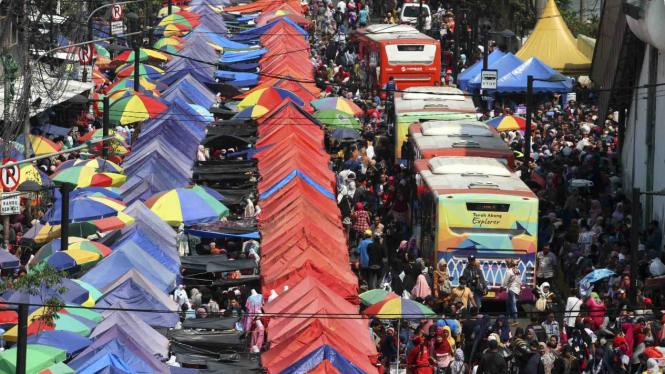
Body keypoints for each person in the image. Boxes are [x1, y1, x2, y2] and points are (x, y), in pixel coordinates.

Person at [500, 258, 521, 326]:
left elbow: (505, 282)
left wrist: (501, 288)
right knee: (508, 303)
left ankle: (515, 320)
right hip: (516, 289)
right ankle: (507, 318)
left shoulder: (509, 271)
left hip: (512, 290)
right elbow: (519, 280)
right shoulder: (518, 270)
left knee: (513, 305)